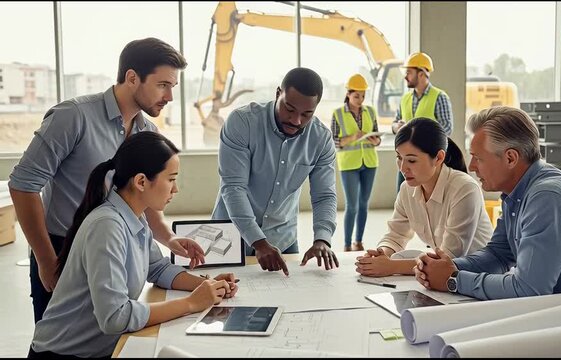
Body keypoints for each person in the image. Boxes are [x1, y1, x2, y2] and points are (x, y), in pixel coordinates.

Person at [413, 106, 561, 357]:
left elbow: (529, 289)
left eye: (478, 157)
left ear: (510, 158)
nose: (471, 166)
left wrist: (453, 281)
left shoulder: (547, 198)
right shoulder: (517, 192)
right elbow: (498, 255)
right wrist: (448, 267)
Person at [8, 37, 205, 324]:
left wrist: (169, 238)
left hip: (115, 245)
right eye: (163, 85)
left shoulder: (146, 130)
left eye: (172, 87)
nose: (170, 97)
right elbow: (23, 185)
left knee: (106, 332)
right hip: (61, 250)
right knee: (63, 339)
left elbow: (143, 197)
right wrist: (46, 260)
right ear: (132, 78)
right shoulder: (73, 116)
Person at [28, 132, 238, 358]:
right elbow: (114, 317)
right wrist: (191, 303)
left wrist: (206, 286)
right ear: (141, 181)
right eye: (171, 179)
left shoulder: (134, 217)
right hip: (62, 354)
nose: (175, 189)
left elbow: (158, 268)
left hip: (98, 351)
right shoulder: (107, 226)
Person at [212, 67, 339, 276]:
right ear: (278, 93)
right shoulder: (243, 122)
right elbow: (233, 187)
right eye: (289, 109)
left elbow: (324, 195)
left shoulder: (320, 139)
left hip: (283, 238)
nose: (296, 121)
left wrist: (322, 238)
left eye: (307, 114)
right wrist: (259, 242)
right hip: (228, 237)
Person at [355, 119, 491, 277]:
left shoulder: (465, 189)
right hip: (446, 279)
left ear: (439, 158)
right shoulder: (407, 189)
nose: (402, 168)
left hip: (479, 277)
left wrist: (391, 266)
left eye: (411, 160)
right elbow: (396, 236)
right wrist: (382, 254)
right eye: (399, 157)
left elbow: (449, 258)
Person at [330, 74, 381, 252]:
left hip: (369, 162)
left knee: (363, 204)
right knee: (352, 206)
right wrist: (353, 137)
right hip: (349, 164)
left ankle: (358, 241)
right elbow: (334, 142)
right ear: (348, 94)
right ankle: (346, 243)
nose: (360, 100)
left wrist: (375, 141)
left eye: (363, 96)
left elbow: (377, 137)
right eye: (356, 96)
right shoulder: (337, 114)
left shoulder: (370, 112)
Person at [391, 52, 453, 192]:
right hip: (406, 157)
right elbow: (394, 123)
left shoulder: (439, 97)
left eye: (409, 72)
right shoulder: (405, 99)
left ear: (421, 74)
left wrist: (421, 136)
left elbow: (447, 128)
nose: (405, 76)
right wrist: (398, 127)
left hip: (426, 161)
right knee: (403, 198)